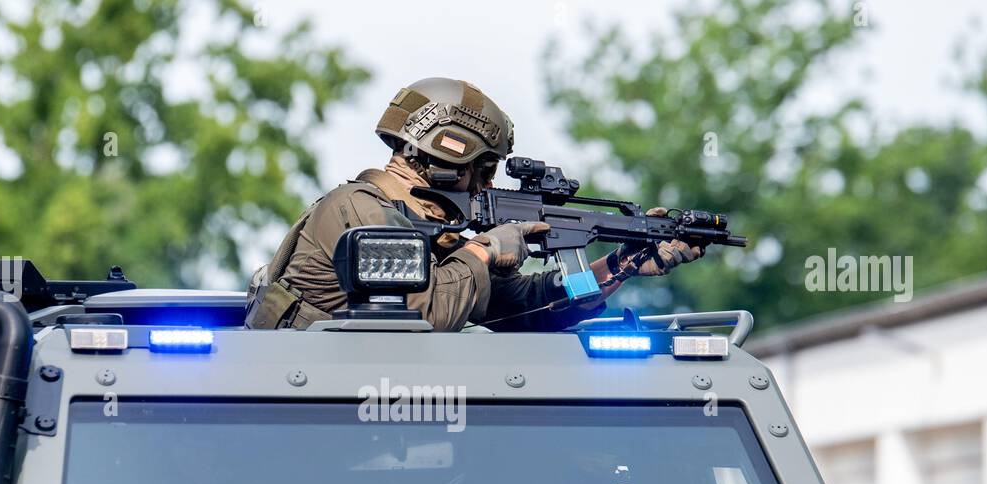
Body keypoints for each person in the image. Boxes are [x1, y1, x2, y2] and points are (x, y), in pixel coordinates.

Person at [245, 77, 702, 331]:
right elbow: (424, 316)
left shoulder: (434, 241)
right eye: (483, 170)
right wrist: (483, 250)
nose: (486, 185)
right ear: (445, 158)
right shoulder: (355, 209)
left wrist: (619, 265)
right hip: (316, 414)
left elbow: (525, 307)